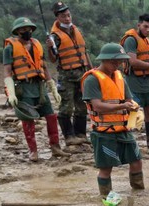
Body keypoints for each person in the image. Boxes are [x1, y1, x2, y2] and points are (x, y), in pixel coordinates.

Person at [3, 17, 71, 162]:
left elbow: (44, 66)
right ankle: (33, 151)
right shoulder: (10, 48)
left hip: (39, 86)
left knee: (51, 115)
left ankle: (55, 147)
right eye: (22, 29)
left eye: (28, 29)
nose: (26, 31)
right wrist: (11, 93)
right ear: (17, 32)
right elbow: (7, 71)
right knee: (28, 119)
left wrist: (52, 87)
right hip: (23, 87)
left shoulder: (37, 44)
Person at [81, 43, 144, 197]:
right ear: (104, 60)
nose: (117, 65)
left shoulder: (119, 77)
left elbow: (129, 99)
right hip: (104, 132)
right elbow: (97, 107)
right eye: (114, 62)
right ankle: (106, 196)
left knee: (136, 160)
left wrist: (135, 109)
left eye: (120, 62)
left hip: (123, 129)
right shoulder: (92, 79)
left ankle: (138, 192)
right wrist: (123, 106)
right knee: (106, 167)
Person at [120, 14, 149, 151]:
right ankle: (128, 142)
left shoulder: (148, 42)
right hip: (134, 81)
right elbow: (132, 61)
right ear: (139, 25)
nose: (148, 30)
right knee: (133, 111)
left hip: (147, 81)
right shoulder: (131, 39)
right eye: (145, 26)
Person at [46, 1, 90, 146]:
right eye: (64, 16)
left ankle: (81, 134)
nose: (67, 18)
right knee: (67, 106)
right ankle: (69, 136)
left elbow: (84, 51)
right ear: (57, 17)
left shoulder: (76, 30)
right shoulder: (55, 36)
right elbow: (53, 59)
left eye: (68, 15)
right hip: (67, 75)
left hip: (82, 72)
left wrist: (90, 69)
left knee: (82, 104)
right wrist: (50, 48)